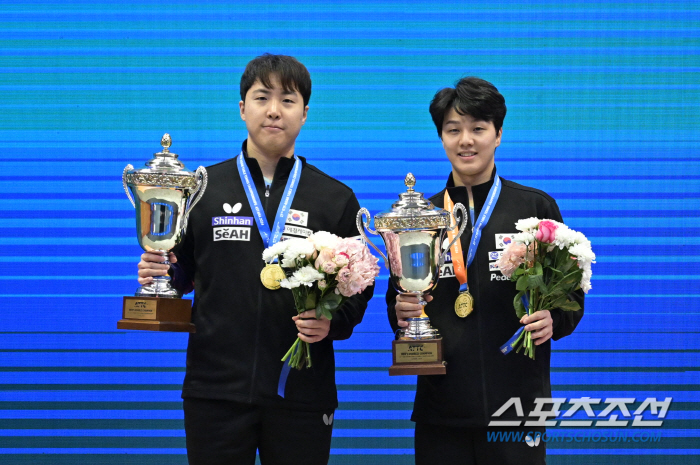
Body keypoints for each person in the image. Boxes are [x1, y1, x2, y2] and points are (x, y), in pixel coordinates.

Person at [138, 53, 373, 465]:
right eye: (262, 97)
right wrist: (162, 273)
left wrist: (334, 321)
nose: (274, 110)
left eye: (288, 100)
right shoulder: (200, 188)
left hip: (302, 390)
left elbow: (361, 280)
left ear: (305, 113)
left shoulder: (334, 197)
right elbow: (184, 271)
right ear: (243, 107)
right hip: (216, 390)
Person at [387, 77, 584, 465]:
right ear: (441, 137)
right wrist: (399, 312)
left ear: (498, 134)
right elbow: (399, 298)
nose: (466, 141)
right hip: (442, 408)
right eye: (453, 129)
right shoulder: (419, 217)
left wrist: (555, 319)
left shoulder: (535, 207)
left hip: (518, 407)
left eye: (478, 128)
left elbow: (572, 294)